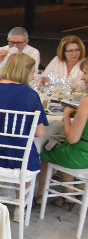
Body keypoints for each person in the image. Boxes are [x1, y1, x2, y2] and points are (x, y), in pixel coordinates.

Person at [0, 53, 48, 219]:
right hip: (18, 158)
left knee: (0, 149)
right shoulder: (30, 94)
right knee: (26, 152)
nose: (33, 76)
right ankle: (20, 208)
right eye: (32, 72)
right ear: (25, 72)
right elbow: (39, 132)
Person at [39, 59, 88, 207]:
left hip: (80, 156)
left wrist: (66, 115)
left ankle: (40, 196)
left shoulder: (86, 101)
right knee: (62, 148)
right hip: (82, 154)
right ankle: (68, 195)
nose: (82, 77)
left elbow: (72, 138)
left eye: (86, 73)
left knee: (44, 150)